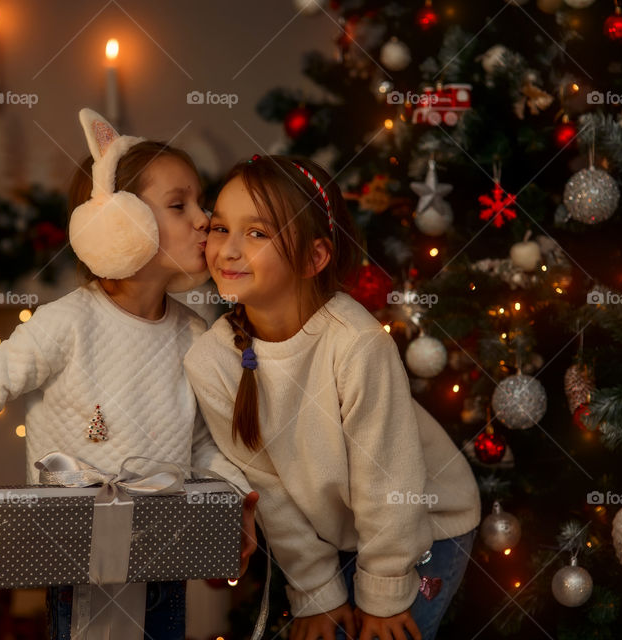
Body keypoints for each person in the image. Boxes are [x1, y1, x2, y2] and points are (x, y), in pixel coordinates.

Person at [0, 109, 259, 640]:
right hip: (74, 562)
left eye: (200, 203)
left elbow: (200, 445)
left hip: (163, 560)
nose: (205, 220)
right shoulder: (67, 323)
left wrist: (232, 501)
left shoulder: (199, 335)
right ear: (121, 223)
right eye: (180, 206)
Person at [184, 154, 480, 640]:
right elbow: (269, 491)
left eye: (257, 233)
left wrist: (385, 591)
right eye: (220, 228)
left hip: (424, 524)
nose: (229, 250)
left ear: (313, 257)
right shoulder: (211, 360)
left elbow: (390, 483)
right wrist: (315, 591)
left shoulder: (357, 344)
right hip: (336, 530)